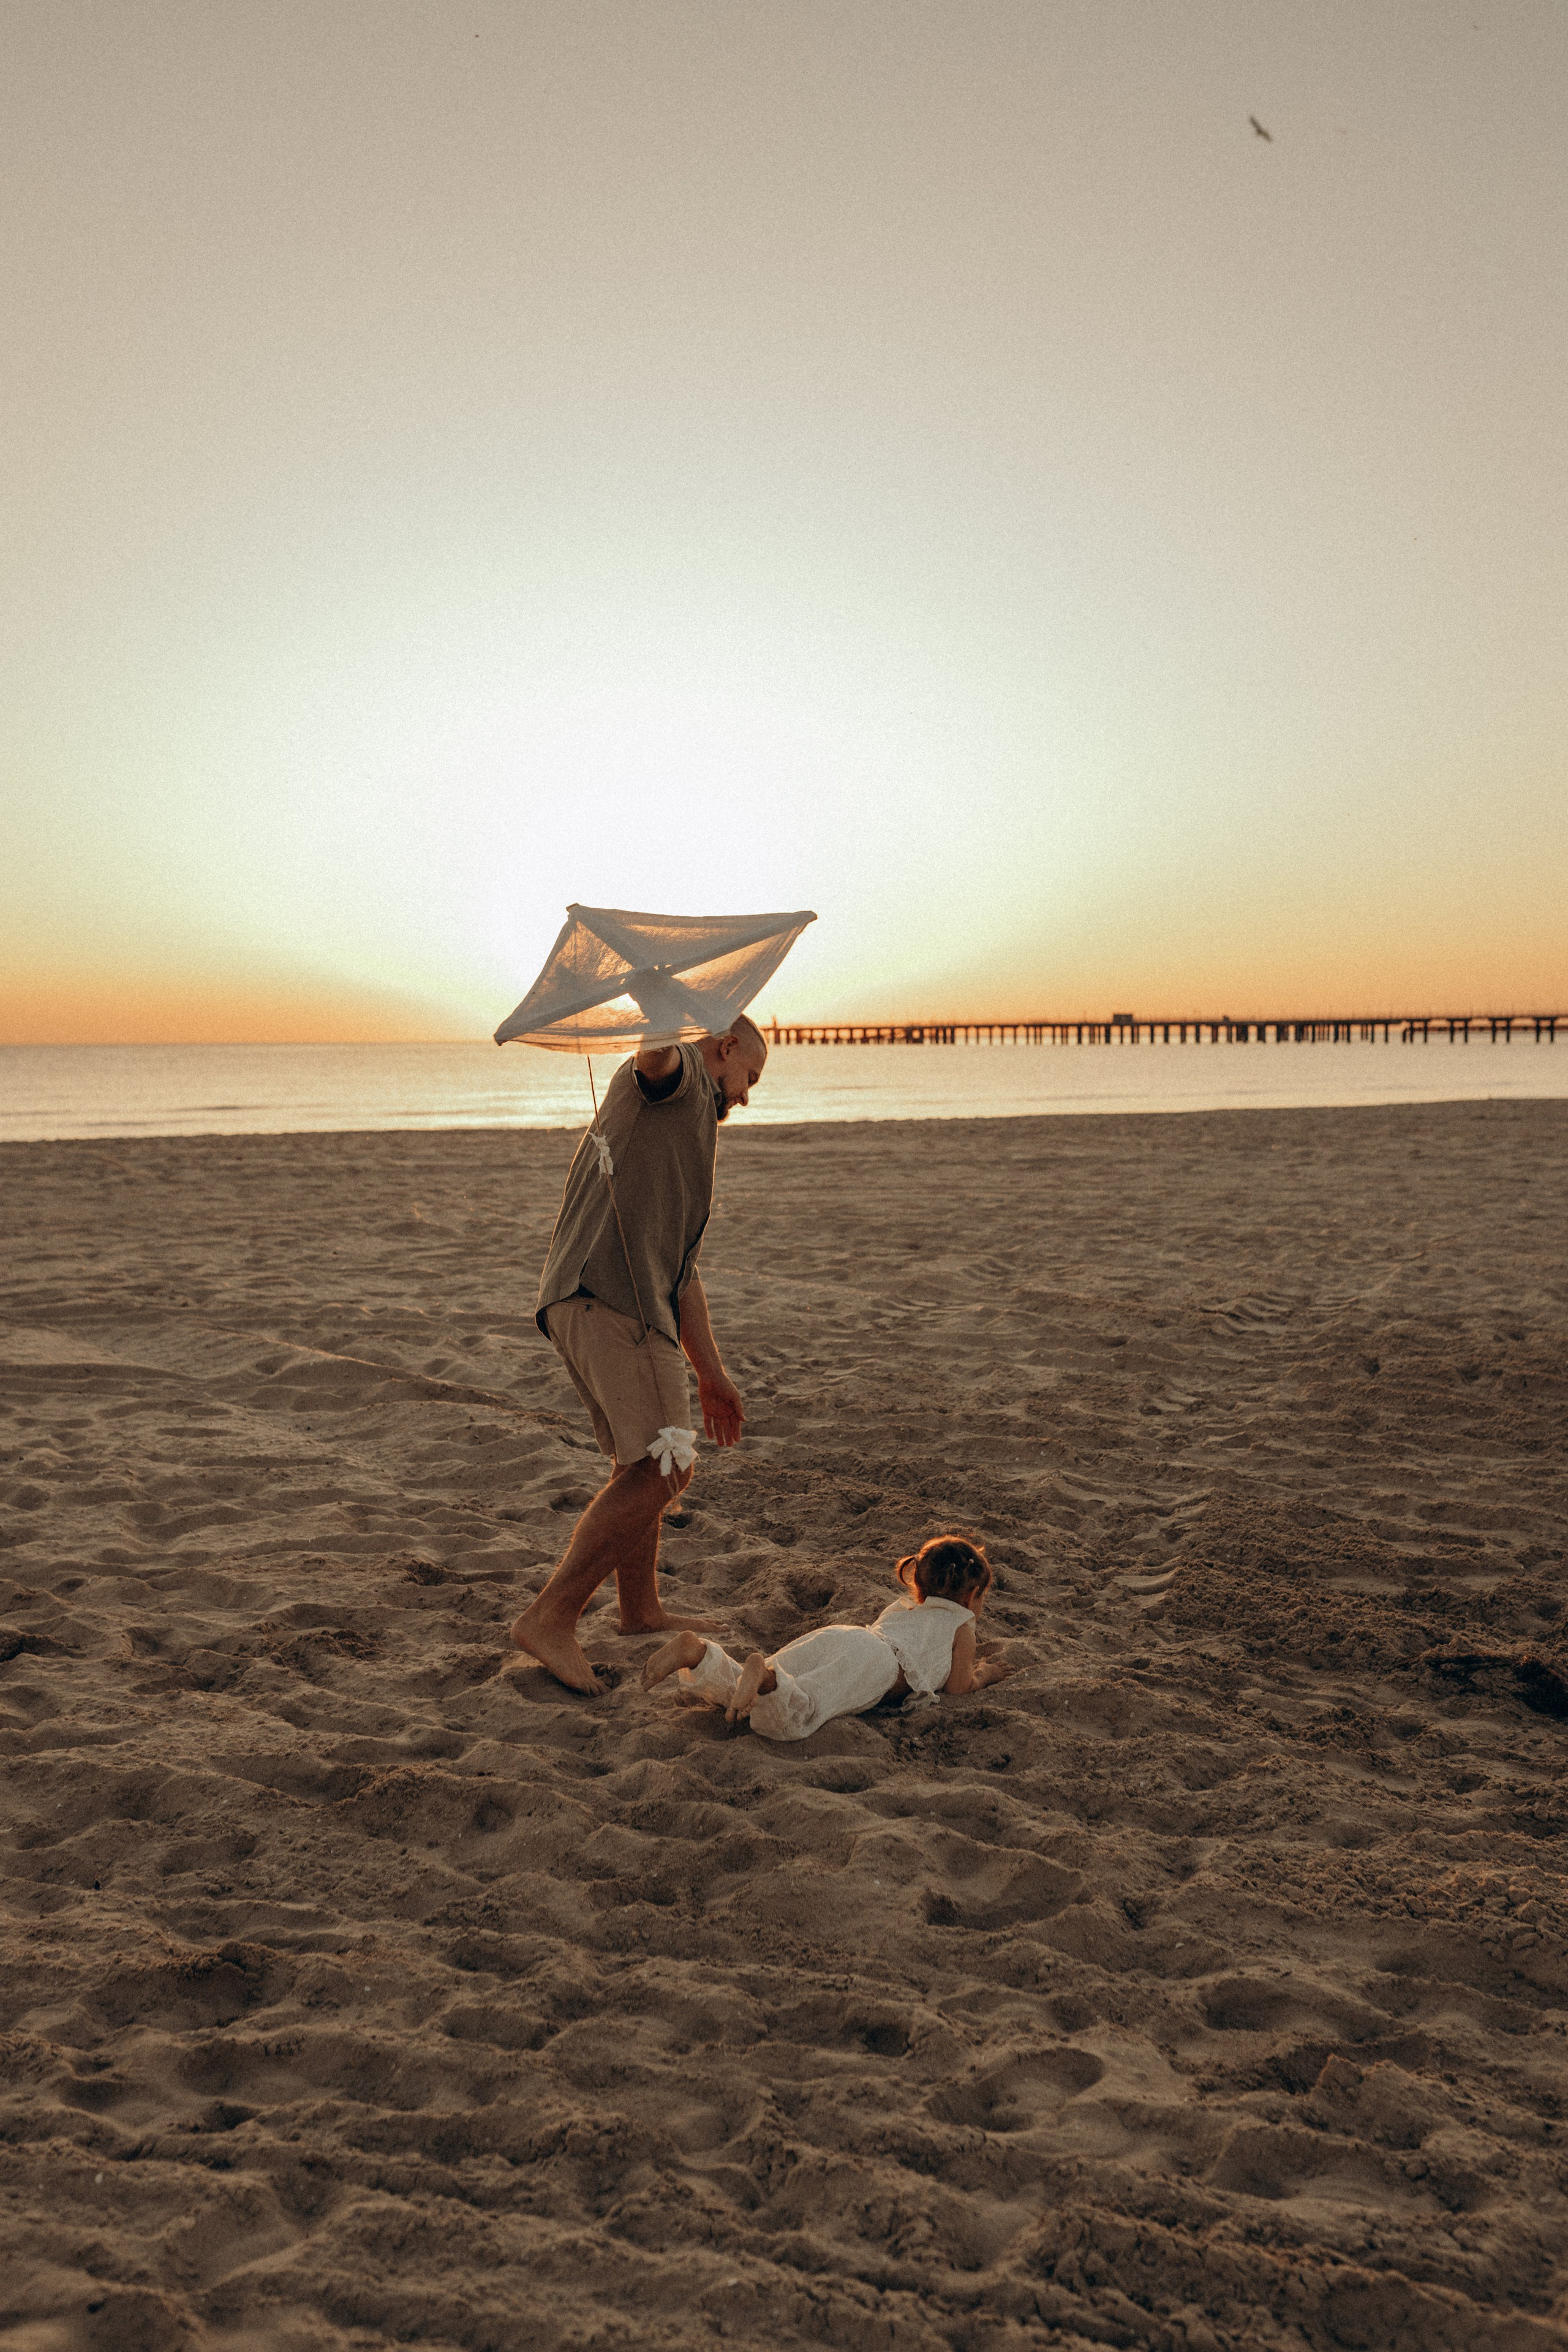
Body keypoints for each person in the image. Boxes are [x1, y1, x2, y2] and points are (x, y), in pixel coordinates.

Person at [510, 1016, 766, 1694]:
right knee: (662, 1467)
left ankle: (638, 1609)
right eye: (750, 1080)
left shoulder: (691, 1134)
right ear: (727, 1048)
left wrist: (713, 1374)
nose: (746, 1096)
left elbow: (684, 1276)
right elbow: (655, 1059)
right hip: (606, 1298)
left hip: (611, 1301)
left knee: (642, 1463)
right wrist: (660, 1012)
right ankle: (550, 1616)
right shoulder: (676, 1079)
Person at [641, 1532, 1014, 1741]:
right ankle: (767, 1677)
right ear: (971, 1597)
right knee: (799, 1714)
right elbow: (959, 1687)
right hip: (876, 1664)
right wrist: (985, 1675)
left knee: (746, 1695)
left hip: (845, 1637)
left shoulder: (907, 1610)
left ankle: (698, 1653)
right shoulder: (962, 1623)